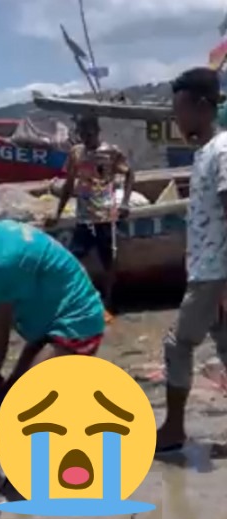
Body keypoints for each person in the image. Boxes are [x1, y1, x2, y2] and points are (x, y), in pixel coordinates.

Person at [0, 182, 105, 404]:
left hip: (76, 326)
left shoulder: (3, 261)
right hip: (49, 324)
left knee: (28, 400)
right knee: (10, 393)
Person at [157, 67, 227, 452]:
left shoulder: (222, 150)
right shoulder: (205, 153)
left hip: (214, 274)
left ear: (202, 106)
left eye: (180, 110)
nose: (177, 119)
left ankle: (173, 429)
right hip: (208, 271)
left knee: (177, 343)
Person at [48, 115, 134, 318]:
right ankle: (78, 299)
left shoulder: (111, 152)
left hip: (106, 215)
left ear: (97, 131)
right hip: (84, 217)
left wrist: (125, 202)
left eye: (89, 133)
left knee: (108, 261)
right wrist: (57, 213)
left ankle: (109, 302)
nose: (85, 138)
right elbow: (69, 185)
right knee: (73, 257)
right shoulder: (76, 153)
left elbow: (130, 173)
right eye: (81, 133)